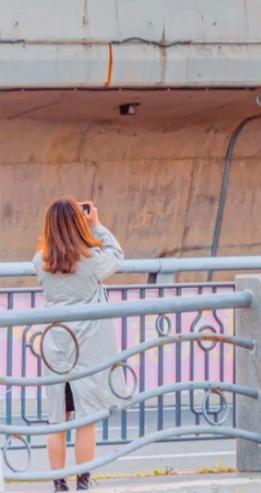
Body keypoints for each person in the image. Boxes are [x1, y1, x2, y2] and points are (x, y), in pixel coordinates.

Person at [32, 199, 124, 493]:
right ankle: (83, 483)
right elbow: (117, 255)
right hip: (87, 346)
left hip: (56, 345)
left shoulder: (40, 262)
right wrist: (96, 225)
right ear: (77, 223)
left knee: (57, 419)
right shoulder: (91, 261)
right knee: (86, 418)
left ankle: (60, 484)